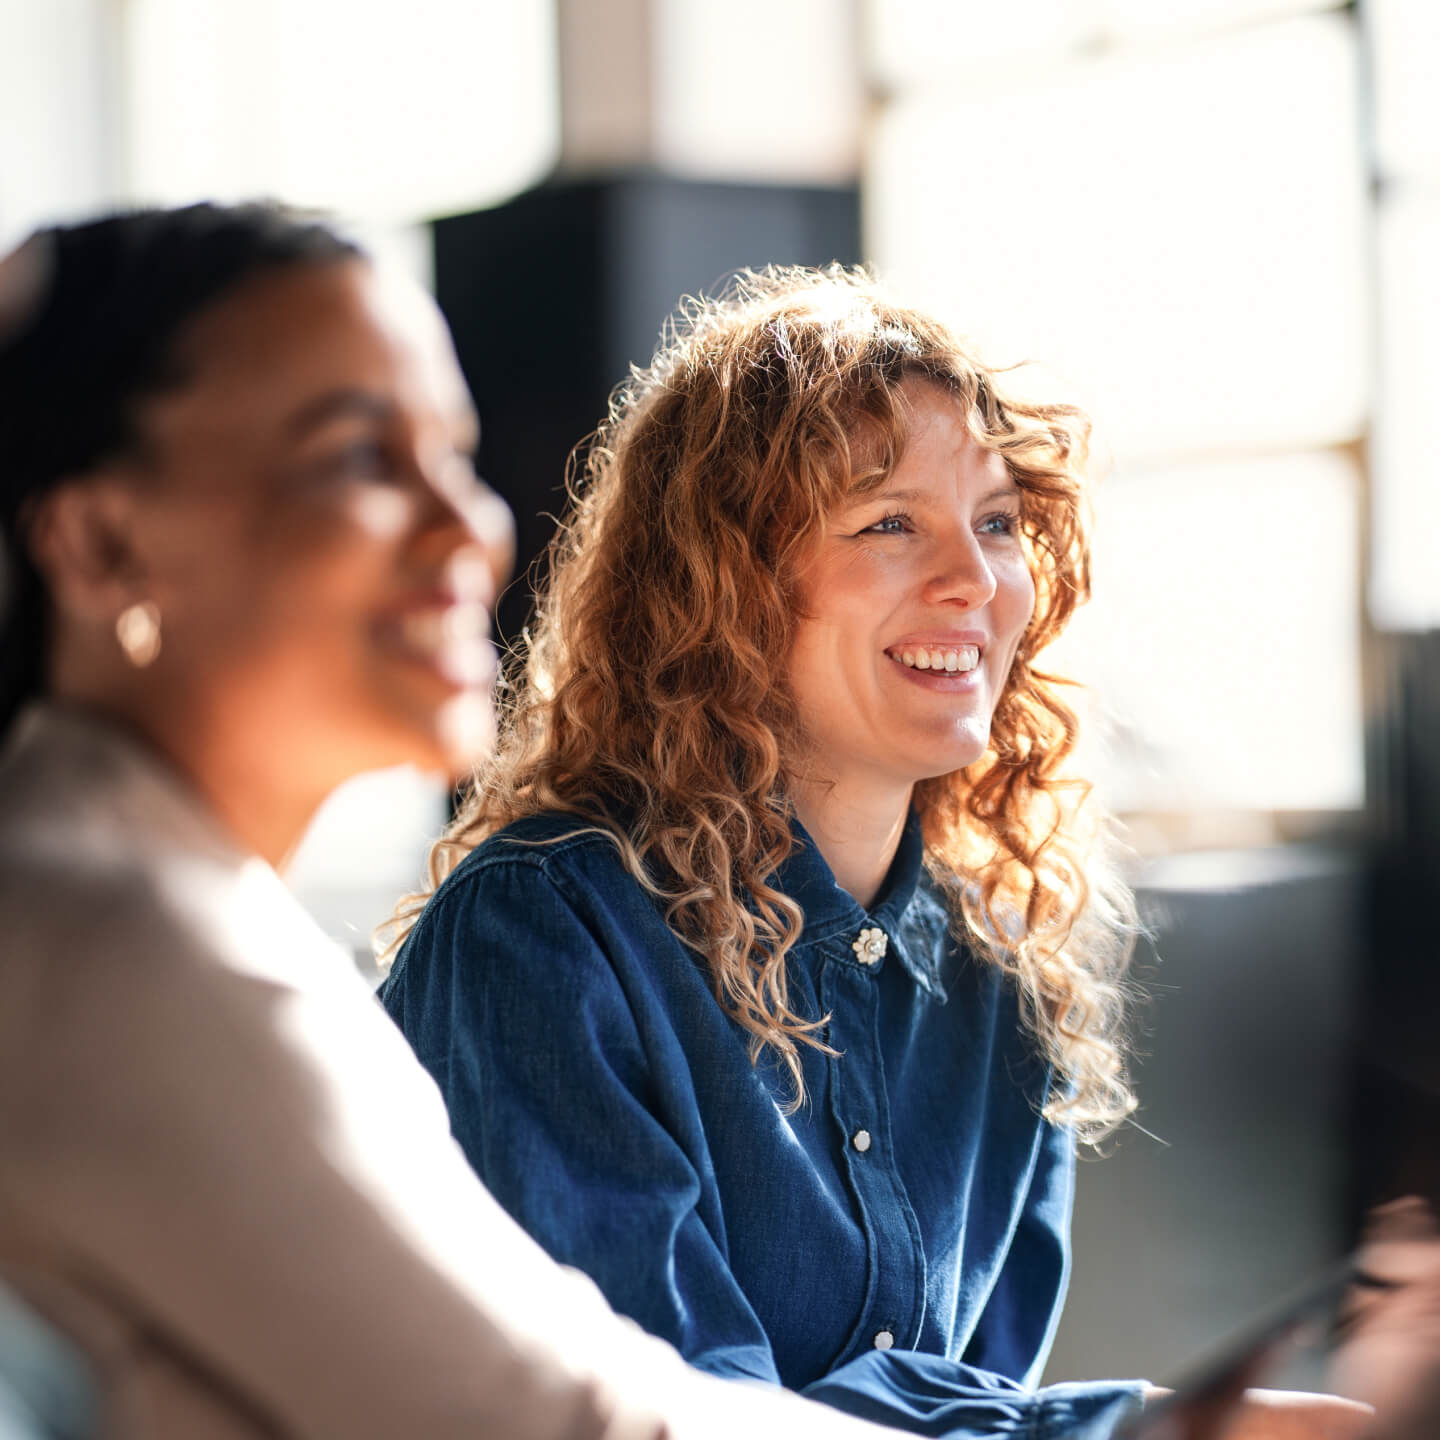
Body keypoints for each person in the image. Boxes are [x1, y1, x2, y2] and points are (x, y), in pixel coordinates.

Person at [0, 203, 963, 1440]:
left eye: (451, 455)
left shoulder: (141, 893)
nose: (471, 527)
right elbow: (566, 1422)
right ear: (100, 541)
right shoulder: (124, 943)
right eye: (358, 458)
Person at [380, 268, 1371, 1440]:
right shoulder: (544, 932)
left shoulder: (999, 976)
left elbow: (966, 1403)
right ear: (724, 590)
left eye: (997, 523)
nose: (972, 579)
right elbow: (669, 1417)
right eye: (889, 522)